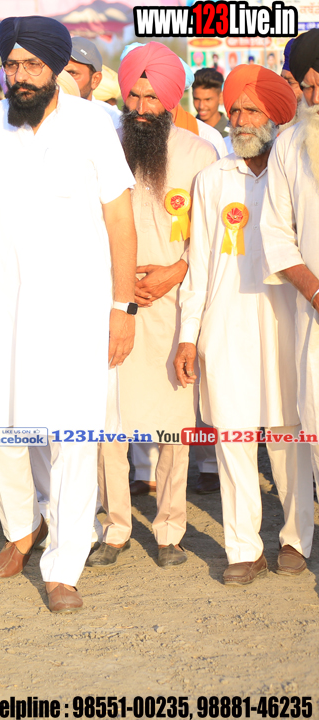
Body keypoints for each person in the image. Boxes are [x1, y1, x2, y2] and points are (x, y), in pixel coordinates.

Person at [0, 16, 138, 613]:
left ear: (54, 69)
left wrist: (122, 306)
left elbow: (120, 220)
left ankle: (64, 564)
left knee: (73, 435)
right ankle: (22, 529)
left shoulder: (93, 124)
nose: (20, 76)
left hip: (76, 310)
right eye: (12, 65)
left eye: (32, 66)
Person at [174, 64, 311, 584]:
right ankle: (243, 548)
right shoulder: (212, 180)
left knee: (287, 435)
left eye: (251, 110)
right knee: (232, 436)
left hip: (286, 323)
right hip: (226, 324)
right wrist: (189, 335)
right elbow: (199, 265)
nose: (239, 119)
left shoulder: (296, 173)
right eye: (234, 110)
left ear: (276, 116)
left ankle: (295, 540)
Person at [88, 42, 218, 571]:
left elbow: (211, 240)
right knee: (108, 423)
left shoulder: (200, 154)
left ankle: (169, 529)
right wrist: (117, 281)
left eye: (151, 99)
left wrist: (175, 271)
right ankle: (116, 527)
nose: (141, 109)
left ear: (171, 100)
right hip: (111, 301)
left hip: (172, 305)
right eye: (134, 97)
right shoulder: (103, 145)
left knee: (172, 425)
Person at [262, 29, 319, 553]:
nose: (312, 97)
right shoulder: (288, 145)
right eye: (306, 86)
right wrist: (316, 294)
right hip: (314, 317)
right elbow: (277, 236)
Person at [194, 67, 230, 138]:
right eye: (197, 99)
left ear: (220, 97)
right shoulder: (185, 130)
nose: (201, 106)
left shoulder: (232, 134)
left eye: (207, 99)